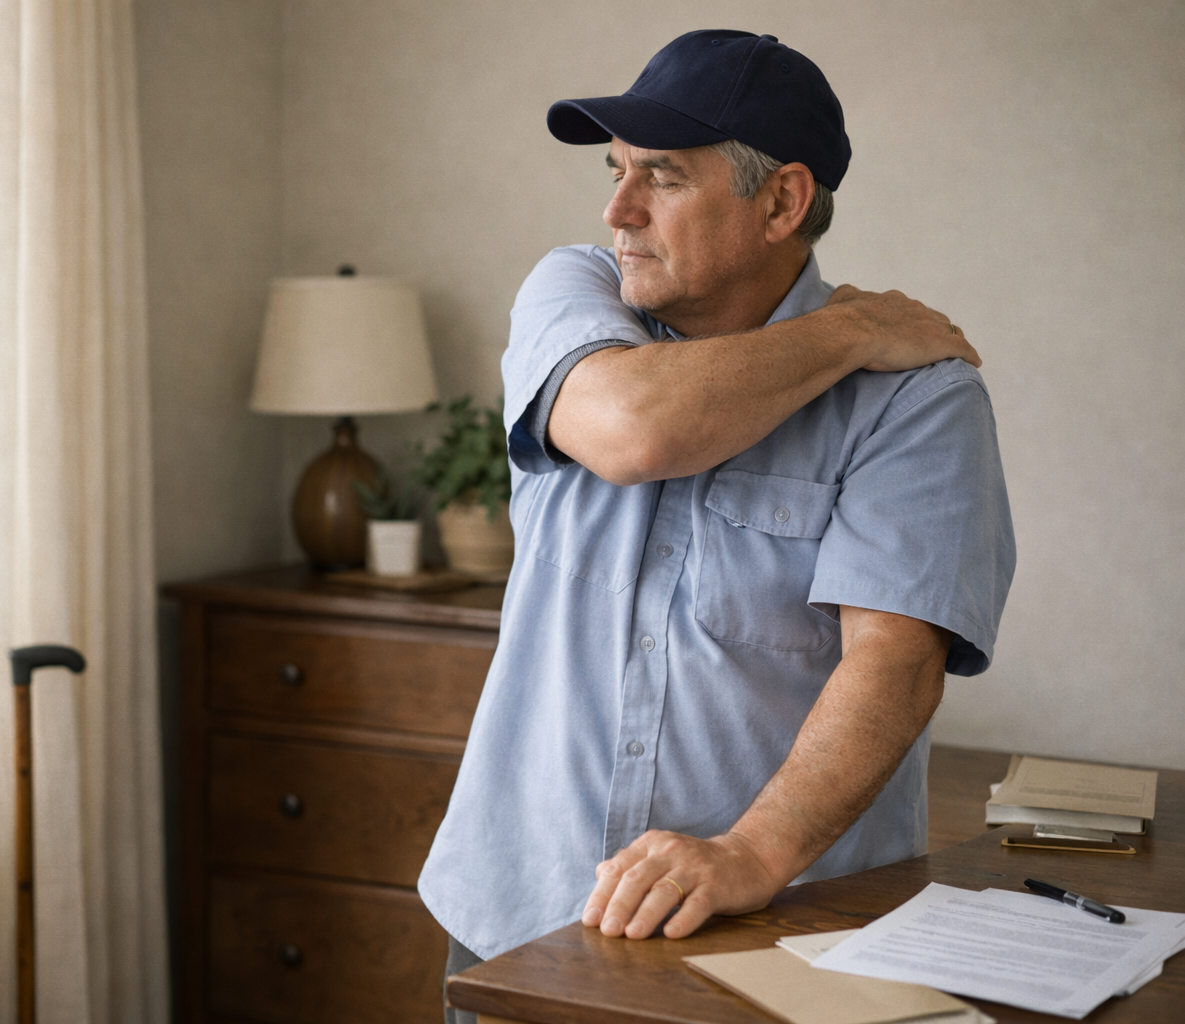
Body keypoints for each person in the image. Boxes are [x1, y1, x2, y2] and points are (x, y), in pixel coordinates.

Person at [418, 28, 1016, 1021]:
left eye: (662, 177)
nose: (618, 211)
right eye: (615, 174)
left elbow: (894, 662)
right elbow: (637, 429)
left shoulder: (919, 401)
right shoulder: (572, 293)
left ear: (782, 199)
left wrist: (750, 853)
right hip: (517, 912)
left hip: (780, 934)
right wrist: (851, 330)